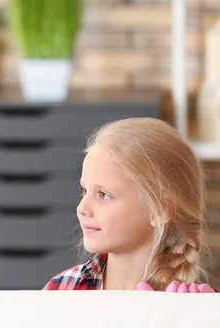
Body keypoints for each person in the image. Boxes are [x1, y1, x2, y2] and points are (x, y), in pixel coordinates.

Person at [44, 117, 214, 292]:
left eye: (104, 195)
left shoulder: (196, 306)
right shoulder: (61, 290)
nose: (82, 209)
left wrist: (207, 315)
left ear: (161, 209)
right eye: (84, 191)